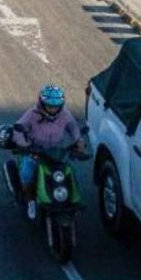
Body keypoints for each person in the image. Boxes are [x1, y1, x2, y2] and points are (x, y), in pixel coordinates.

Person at [11, 85, 85, 220]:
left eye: (56, 106)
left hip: (56, 154)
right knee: (26, 174)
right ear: (42, 103)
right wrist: (24, 144)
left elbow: (73, 129)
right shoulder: (32, 114)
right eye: (49, 106)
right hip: (35, 152)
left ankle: (72, 199)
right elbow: (18, 129)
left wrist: (79, 142)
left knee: (70, 173)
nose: (52, 109)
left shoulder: (65, 115)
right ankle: (30, 201)